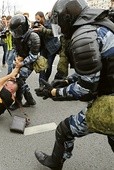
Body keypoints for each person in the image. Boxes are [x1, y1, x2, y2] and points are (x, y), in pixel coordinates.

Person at [34, 0, 114, 169]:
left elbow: (85, 90)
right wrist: (66, 81)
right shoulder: (97, 26)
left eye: (60, 24)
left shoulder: (83, 37)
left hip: (111, 103)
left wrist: (54, 93)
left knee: (64, 129)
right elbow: (98, 68)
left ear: (67, 18)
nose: (61, 29)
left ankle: (55, 162)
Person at [9, 14, 41, 110]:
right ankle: (30, 100)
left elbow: (34, 56)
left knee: (20, 80)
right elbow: (15, 48)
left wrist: (21, 63)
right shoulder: (15, 36)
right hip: (21, 59)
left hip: (30, 62)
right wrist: (16, 58)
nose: (16, 33)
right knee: (18, 79)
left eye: (17, 30)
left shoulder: (34, 37)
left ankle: (18, 102)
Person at [33, 11, 61, 88]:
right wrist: (34, 29)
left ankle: (45, 80)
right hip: (43, 48)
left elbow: (54, 33)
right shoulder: (37, 25)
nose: (37, 21)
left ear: (42, 17)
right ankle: (41, 84)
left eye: (38, 19)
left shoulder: (50, 22)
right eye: (36, 19)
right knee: (41, 66)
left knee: (48, 66)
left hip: (52, 48)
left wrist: (42, 29)